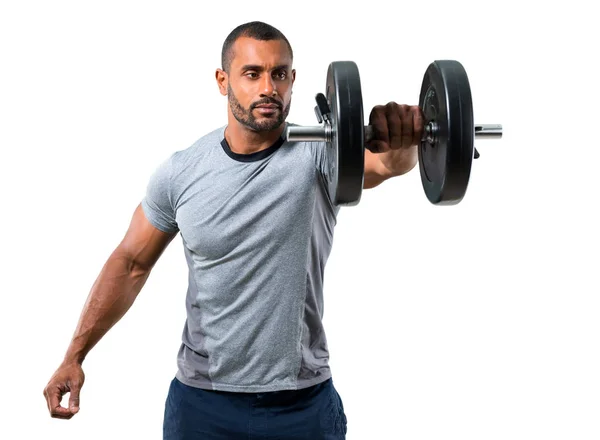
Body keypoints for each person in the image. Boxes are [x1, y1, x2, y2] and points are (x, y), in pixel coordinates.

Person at [43, 20, 423, 439]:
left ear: (293, 80)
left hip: (302, 402)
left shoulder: (320, 158)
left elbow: (386, 165)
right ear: (223, 81)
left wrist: (404, 139)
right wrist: (74, 356)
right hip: (202, 404)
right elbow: (131, 262)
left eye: (279, 74)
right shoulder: (182, 172)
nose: (268, 87)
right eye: (252, 73)